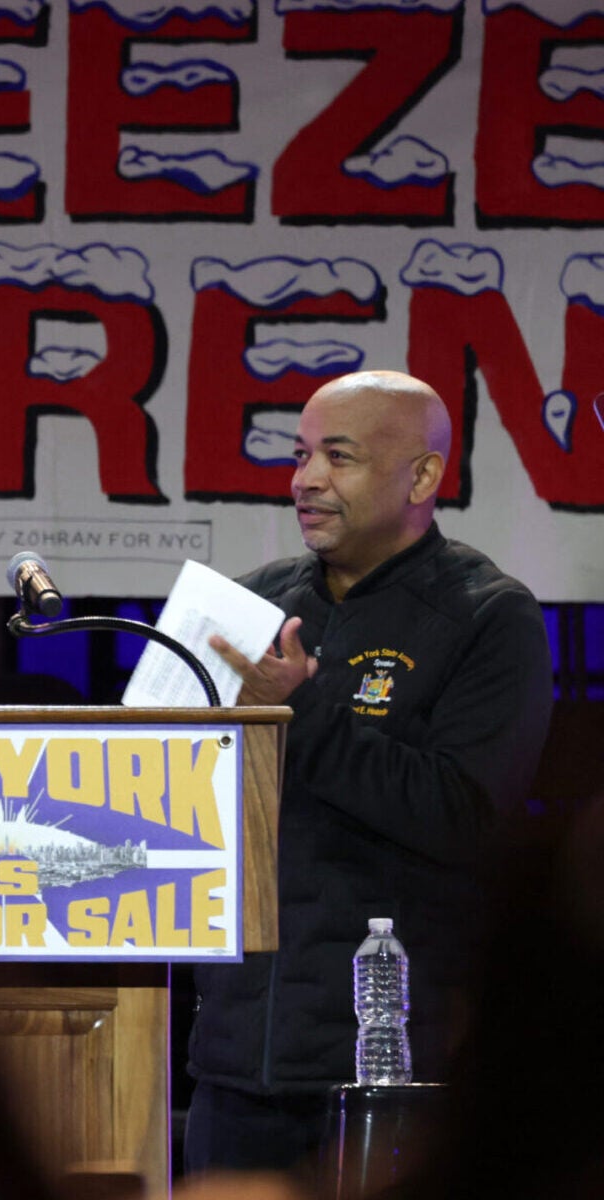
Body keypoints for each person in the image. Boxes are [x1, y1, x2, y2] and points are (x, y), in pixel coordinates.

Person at [188, 369, 555, 1174]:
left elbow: (465, 817)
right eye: (300, 455)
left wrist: (299, 711)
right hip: (234, 1066)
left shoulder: (489, 616)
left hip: (394, 1074)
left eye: (339, 456)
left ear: (421, 477)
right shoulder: (247, 608)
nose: (306, 479)